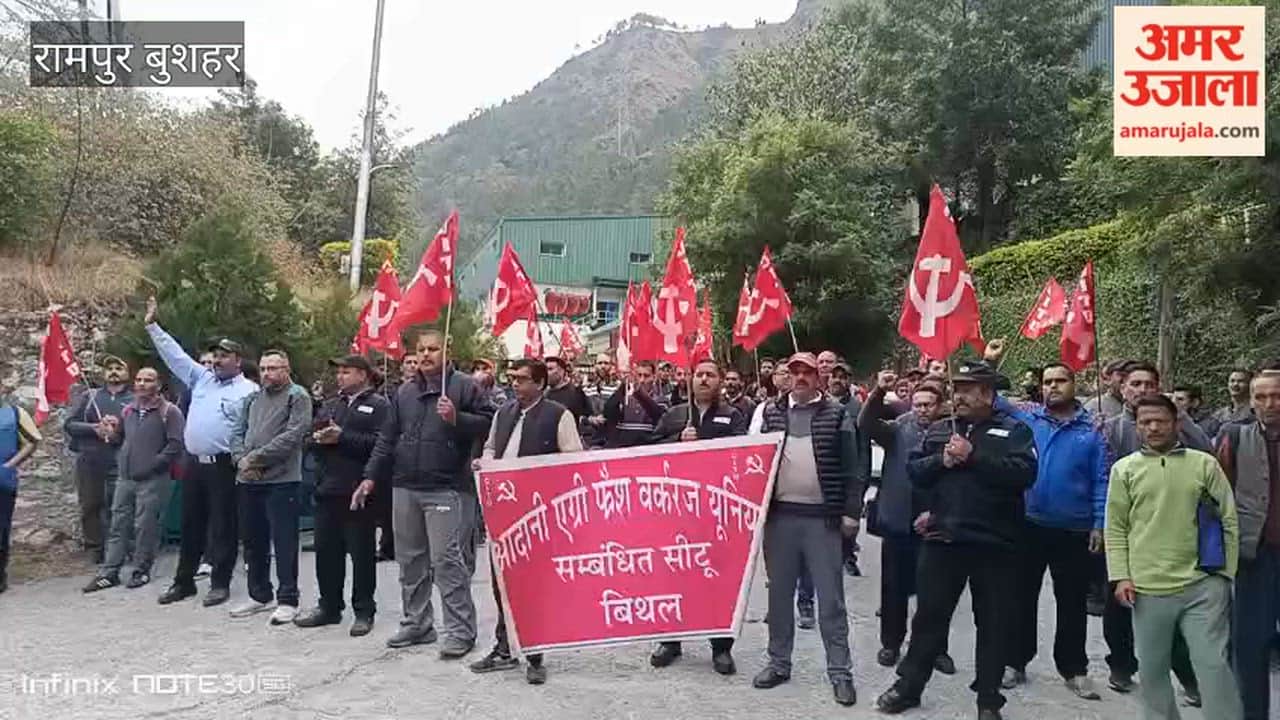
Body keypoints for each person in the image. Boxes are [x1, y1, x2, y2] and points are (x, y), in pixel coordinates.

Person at [875, 362, 1037, 720]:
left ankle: (989, 700)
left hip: (995, 544)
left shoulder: (1014, 431)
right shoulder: (940, 429)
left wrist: (973, 457)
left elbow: (1024, 475)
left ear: (988, 394)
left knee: (993, 624)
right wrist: (943, 460)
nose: (958, 395)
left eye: (967, 389)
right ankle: (909, 686)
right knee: (929, 619)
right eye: (956, 388)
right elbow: (916, 472)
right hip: (943, 540)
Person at [1106, 394, 1241, 720]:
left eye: (1161, 421)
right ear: (1136, 427)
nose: (1153, 427)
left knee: (1213, 665)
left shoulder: (1204, 464)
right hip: (1147, 586)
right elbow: (1115, 528)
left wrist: (1225, 575)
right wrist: (1121, 575)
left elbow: (1229, 519)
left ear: (1176, 423)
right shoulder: (1124, 470)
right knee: (1152, 669)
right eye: (1145, 422)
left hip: (1203, 585)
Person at [364, 330, 494, 657]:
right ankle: (417, 623)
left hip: (448, 488)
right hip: (405, 485)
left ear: (446, 350)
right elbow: (386, 438)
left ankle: (461, 632)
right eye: (420, 349)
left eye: (433, 349)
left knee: (447, 562)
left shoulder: (464, 386)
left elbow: (491, 423)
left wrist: (457, 418)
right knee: (410, 561)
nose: (425, 355)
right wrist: (370, 477)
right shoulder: (404, 392)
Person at [991, 360, 1108, 700]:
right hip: (1028, 525)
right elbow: (994, 400)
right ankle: (1015, 661)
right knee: (1020, 597)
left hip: (1074, 529)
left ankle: (1074, 668)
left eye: (1060, 380)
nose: (1053, 387)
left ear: (1074, 384)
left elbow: (1102, 479)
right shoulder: (1029, 420)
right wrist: (991, 361)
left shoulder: (1093, 430)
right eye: (1047, 381)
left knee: (1071, 602)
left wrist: (1099, 523)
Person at [751, 352, 860, 707]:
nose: (800, 377)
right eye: (794, 371)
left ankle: (840, 672)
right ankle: (779, 663)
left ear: (819, 377)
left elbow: (854, 468)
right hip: (780, 518)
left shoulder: (838, 414)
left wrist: (851, 512)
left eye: (807, 372)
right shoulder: (770, 412)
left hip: (822, 520)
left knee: (831, 600)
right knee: (778, 596)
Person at [468, 358, 582, 685]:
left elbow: (573, 460)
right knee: (500, 582)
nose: (515, 384)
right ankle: (504, 648)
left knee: (533, 586)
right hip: (502, 513)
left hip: (537, 516)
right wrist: (485, 464)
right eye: (513, 378)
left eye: (523, 379)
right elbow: (492, 448)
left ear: (540, 384)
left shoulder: (559, 415)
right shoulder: (503, 413)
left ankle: (535, 654)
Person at [1101, 360, 1209, 698]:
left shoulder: (1177, 425)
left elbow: (1207, 451)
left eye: (1149, 384)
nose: (1142, 390)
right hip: (1124, 529)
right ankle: (1121, 666)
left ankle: (1189, 677)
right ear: (1122, 389)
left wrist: (1181, 417)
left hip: (1171, 532)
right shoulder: (1110, 427)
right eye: (1135, 384)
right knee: (1117, 604)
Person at [145, 296, 259, 607]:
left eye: (224, 356)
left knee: (223, 525)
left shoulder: (248, 390)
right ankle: (184, 582)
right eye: (216, 355)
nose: (218, 360)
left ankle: (220, 583)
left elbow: (255, 430)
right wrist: (153, 326)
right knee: (190, 523)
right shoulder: (202, 379)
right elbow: (175, 357)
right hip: (195, 463)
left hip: (225, 465)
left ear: (238, 360)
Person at [648, 359, 746, 674]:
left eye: (710, 375)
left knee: (717, 579)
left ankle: (721, 646)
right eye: (699, 374)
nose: (703, 379)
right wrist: (677, 442)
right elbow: (649, 450)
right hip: (675, 511)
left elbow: (741, 457)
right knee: (673, 576)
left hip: (714, 512)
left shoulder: (732, 417)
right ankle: (671, 640)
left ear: (720, 381)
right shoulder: (675, 415)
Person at [859, 372, 954, 675]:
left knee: (936, 593)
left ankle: (937, 648)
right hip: (897, 520)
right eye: (918, 404)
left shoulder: (951, 432)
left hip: (935, 522)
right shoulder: (899, 428)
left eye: (928, 404)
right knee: (893, 589)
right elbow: (865, 424)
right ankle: (890, 643)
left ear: (939, 406)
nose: (923, 409)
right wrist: (877, 392)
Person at [294, 355, 389, 638]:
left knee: (361, 555)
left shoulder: (379, 405)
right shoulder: (332, 404)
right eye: (339, 373)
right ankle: (329, 607)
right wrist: (318, 440)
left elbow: (382, 444)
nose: (340, 377)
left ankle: (363, 610)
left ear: (362, 374)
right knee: (327, 552)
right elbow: (311, 437)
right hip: (328, 489)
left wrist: (343, 437)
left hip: (358, 491)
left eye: (346, 372)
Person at [227, 350, 312, 625]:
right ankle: (259, 594)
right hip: (248, 479)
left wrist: (256, 458)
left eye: (274, 368)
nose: (267, 374)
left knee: (284, 541)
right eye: (263, 369)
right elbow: (237, 431)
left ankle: (288, 599)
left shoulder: (297, 396)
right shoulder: (252, 398)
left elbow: (293, 436)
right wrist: (240, 460)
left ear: (287, 369)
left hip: (282, 480)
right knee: (253, 540)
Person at [1214, 372, 1280, 720]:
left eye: (1277, 396)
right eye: (1263, 396)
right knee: (1250, 646)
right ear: (1252, 401)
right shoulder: (1234, 437)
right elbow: (1217, 492)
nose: (1270, 404)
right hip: (1254, 557)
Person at [83, 367, 183, 593]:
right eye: (138, 379)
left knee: (145, 526)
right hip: (125, 478)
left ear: (158, 385)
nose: (141, 384)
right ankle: (109, 573)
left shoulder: (170, 412)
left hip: (153, 479)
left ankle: (141, 569)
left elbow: (175, 445)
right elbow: (120, 439)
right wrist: (110, 431)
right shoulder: (128, 411)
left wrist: (152, 465)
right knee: (118, 524)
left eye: (148, 380)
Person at [64, 355, 133, 563]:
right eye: (109, 368)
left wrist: (117, 430)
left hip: (118, 460)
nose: (113, 371)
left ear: (127, 374)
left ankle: (120, 547)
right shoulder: (89, 397)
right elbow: (70, 424)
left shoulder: (133, 401)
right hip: (90, 460)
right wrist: (94, 428)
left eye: (118, 368)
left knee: (119, 505)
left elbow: (138, 430)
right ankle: (95, 547)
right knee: (90, 505)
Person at [0, 396, 41, 594]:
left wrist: (10, 465)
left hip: (3, 480)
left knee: (1, 529)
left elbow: (32, 441)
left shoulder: (15, 414)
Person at [601, 360, 666, 449]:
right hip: (623, 449)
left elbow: (657, 415)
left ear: (654, 377)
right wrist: (622, 388)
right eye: (639, 375)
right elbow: (608, 412)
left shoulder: (661, 399)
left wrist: (640, 394)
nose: (642, 380)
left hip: (647, 449)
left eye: (646, 376)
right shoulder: (625, 397)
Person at [1204, 368, 1255, 439]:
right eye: (1232, 381)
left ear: (1250, 385)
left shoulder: (1255, 411)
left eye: (1241, 381)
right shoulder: (1219, 415)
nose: (1235, 384)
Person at [582, 353, 620, 447]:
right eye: (600, 363)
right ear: (595, 365)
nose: (603, 366)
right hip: (591, 439)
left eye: (606, 363)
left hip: (611, 438)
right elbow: (580, 414)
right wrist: (590, 419)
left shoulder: (618, 387)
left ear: (611, 365)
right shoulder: (586, 388)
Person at [543, 356, 590, 424]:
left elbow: (585, 416)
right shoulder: (543, 394)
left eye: (550, 369)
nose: (546, 373)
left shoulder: (576, 392)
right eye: (545, 370)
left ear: (561, 371)